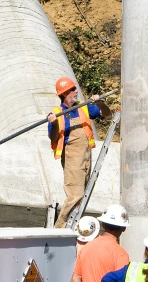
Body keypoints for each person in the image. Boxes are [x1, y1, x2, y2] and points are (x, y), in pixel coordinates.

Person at [47, 76, 110, 228]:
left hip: (86, 157)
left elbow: (106, 114)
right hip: (72, 159)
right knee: (75, 195)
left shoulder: (84, 107)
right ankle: (59, 229)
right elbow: (53, 136)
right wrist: (54, 124)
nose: (76, 91)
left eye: (75, 88)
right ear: (64, 94)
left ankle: (72, 227)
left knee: (82, 197)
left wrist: (99, 102)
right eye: (72, 90)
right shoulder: (56, 114)